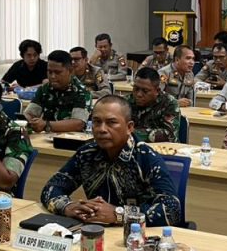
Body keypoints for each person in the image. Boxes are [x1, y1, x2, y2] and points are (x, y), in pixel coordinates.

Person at [41, 95, 182, 227]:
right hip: (94, 230)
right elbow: (51, 188)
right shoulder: (86, 153)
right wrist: (67, 206)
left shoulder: (145, 157)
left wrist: (119, 214)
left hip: (138, 236)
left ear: (129, 127)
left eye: (111, 122)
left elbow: (171, 210)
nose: (102, 129)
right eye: (97, 122)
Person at [23, 50, 91, 133]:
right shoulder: (44, 89)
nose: (52, 76)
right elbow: (30, 113)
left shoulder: (81, 92)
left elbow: (78, 124)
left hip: (72, 138)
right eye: (49, 72)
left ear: (70, 71)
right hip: (45, 137)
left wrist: (46, 125)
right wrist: (28, 120)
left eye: (57, 72)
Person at [129, 68, 181, 143]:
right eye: (136, 89)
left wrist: (133, 133)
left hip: (162, 148)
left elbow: (170, 134)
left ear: (157, 91)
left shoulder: (169, 103)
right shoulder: (126, 102)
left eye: (145, 91)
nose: (139, 94)